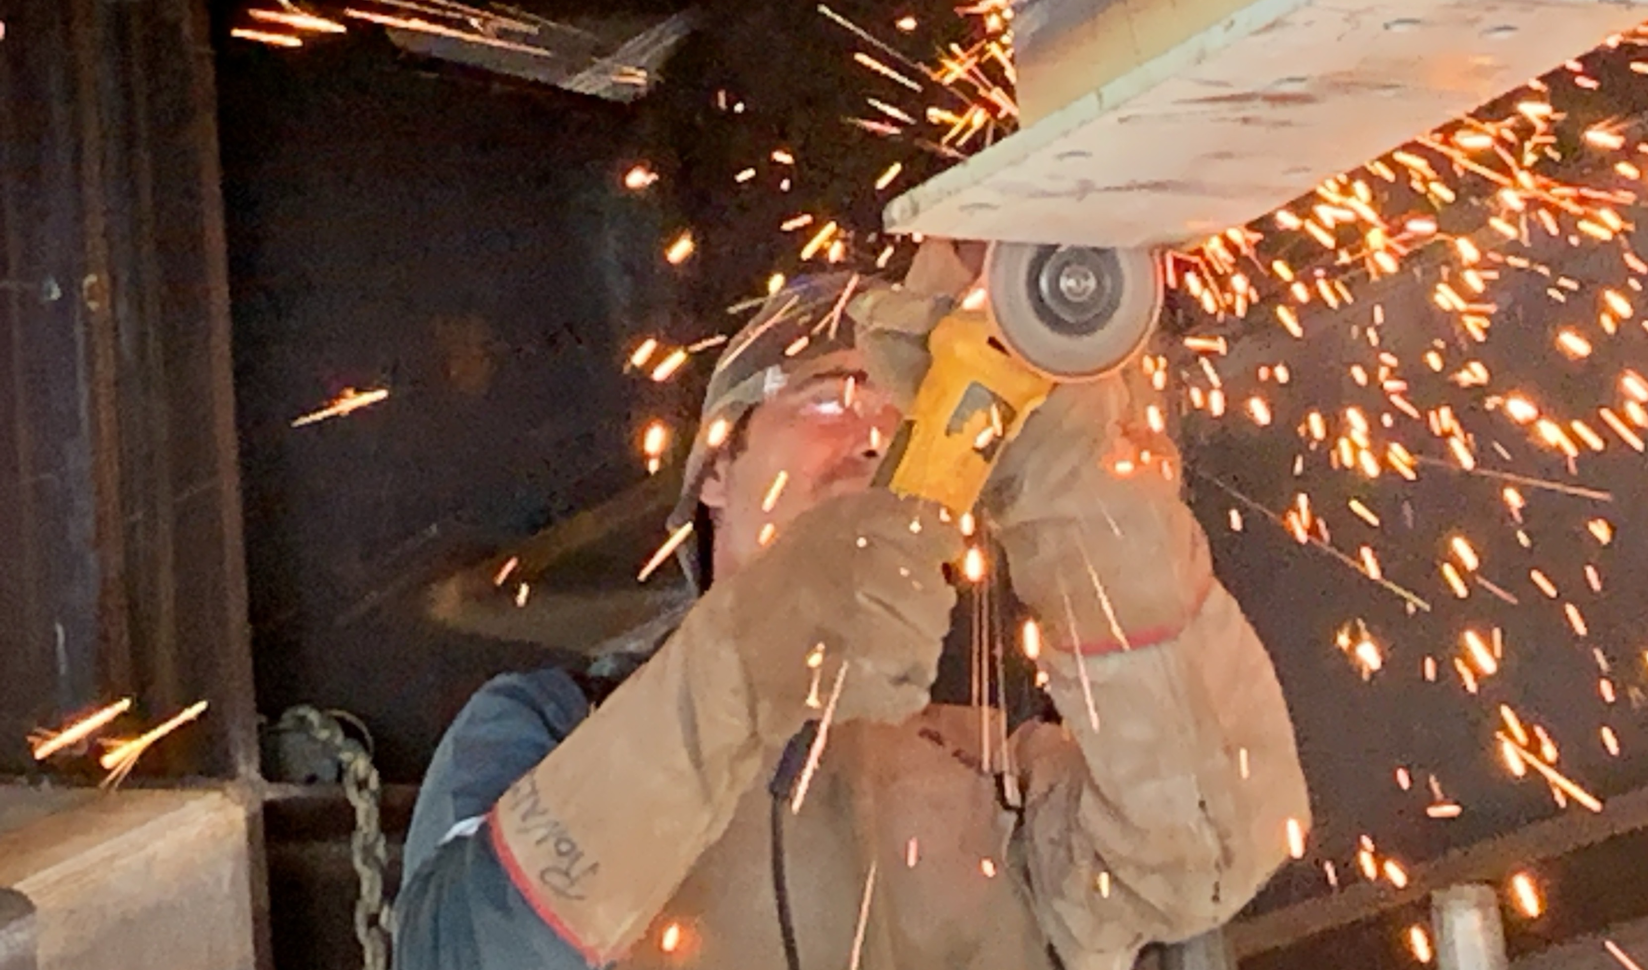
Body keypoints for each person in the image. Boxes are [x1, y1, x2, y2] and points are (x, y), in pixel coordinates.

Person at [394, 245, 1309, 970]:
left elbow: (1208, 852)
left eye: (895, 411)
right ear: (715, 469)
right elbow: (463, 953)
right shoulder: (554, 729)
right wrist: (748, 659)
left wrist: (1070, 478)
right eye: (830, 395)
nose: (875, 434)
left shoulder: (984, 764)